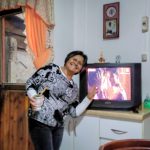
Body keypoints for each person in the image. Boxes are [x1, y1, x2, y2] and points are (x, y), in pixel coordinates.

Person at [26, 50, 96, 150]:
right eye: (74, 59)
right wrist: (34, 98)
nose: (76, 63)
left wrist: (88, 98)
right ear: (68, 59)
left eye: (80, 63)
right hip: (40, 121)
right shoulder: (51, 69)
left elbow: (74, 112)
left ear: (80, 69)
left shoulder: (74, 88)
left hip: (58, 127)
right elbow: (30, 83)